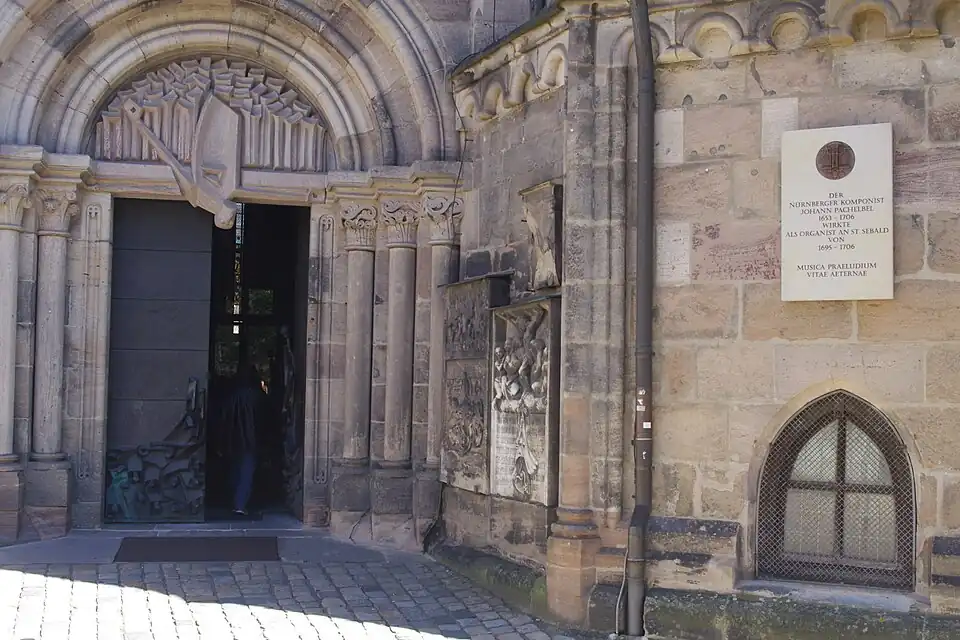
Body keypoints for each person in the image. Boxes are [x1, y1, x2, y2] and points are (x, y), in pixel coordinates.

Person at [221, 365, 266, 516]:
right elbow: (263, 420)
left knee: (235, 470)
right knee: (247, 472)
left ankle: (232, 500)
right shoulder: (258, 396)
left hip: (234, 440)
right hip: (252, 441)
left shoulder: (232, 396)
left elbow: (225, 418)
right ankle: (240, 504)